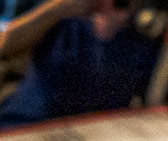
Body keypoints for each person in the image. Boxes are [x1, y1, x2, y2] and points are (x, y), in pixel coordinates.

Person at [0, 0, 159, 128]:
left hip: (79, 139)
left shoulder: (141, 44)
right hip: (20, 124)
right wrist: (61, 8)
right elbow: (5, 45)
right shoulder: (65, 19)